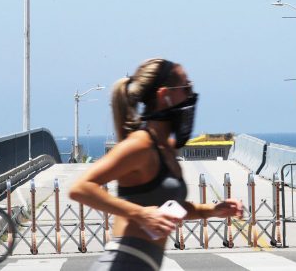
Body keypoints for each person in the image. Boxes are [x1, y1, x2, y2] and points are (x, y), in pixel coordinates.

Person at [69, 58, 243, 270]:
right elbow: (80, 188)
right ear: (164, 95)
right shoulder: (140, 145)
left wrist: (213, 210)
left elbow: (169, 208)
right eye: (186, 88)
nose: (191, 96)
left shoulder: (166, 149)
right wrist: (140, 213)